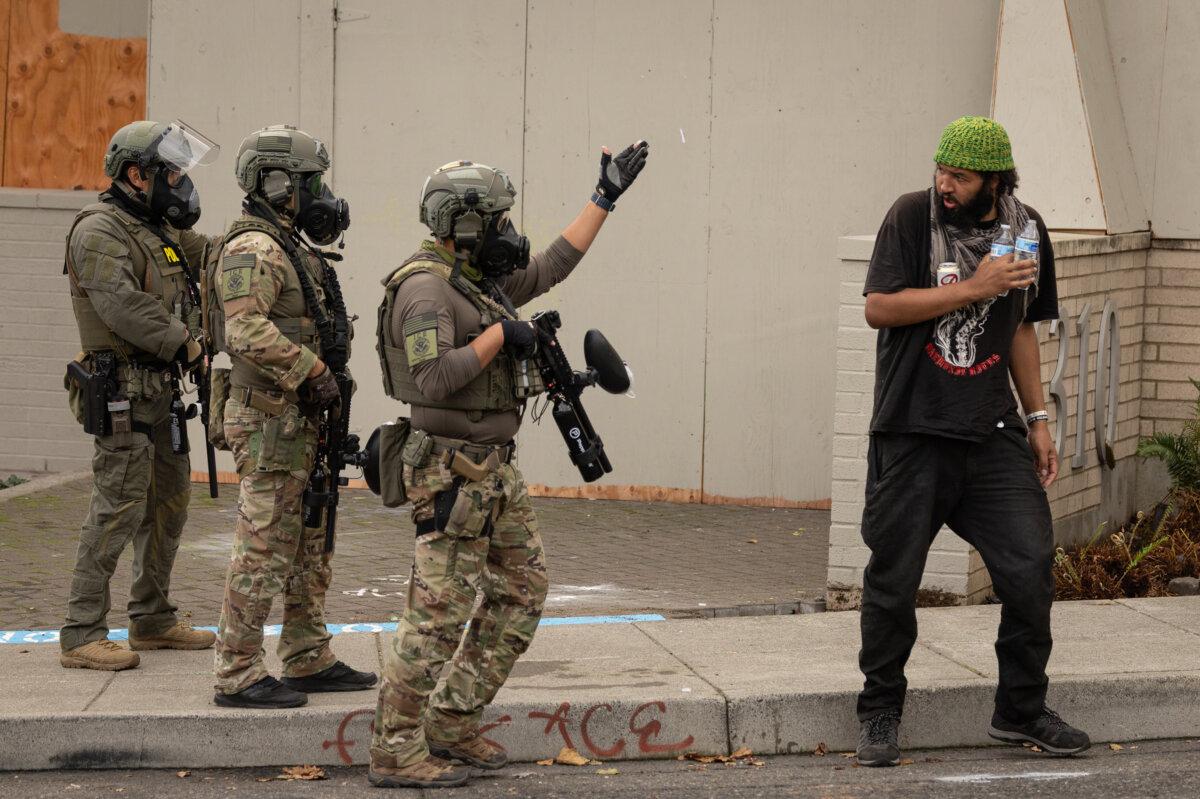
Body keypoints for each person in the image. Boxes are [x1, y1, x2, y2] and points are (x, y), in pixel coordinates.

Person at [368, 142, 649, 789]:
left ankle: (452, 718)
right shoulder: (425, 289)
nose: (506, 232)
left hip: (496, 470)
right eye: (495, 220)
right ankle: (394, 747)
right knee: (437, 615)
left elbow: (552, 264)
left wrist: (603, 196)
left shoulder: (478, 280)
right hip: (448, 473)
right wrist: (501, 337)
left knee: (523, 589)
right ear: (463, 225)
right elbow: (432, 376)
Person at [855, 116, 1090, 766]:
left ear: (993, 179)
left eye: (958, 175)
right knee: (893, 581)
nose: (944, 183)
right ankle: (879, 711)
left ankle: (1020, 708)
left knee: (1030, 563)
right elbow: (879, 305)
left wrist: (1038, 418)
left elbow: (1019, 328)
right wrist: (974, 287)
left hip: (990, 432)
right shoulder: (910, 217)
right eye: (941, 170)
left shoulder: (1026, 229)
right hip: (912, 429)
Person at [210, 125, 375, 708]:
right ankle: (237, 672)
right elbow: (244, 328)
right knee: (263, 543)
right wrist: (312, 370)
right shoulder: (253, 248)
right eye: (312, 183)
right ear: (278, 184)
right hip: (270, 417)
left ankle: (306, 654)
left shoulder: (289, 245)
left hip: (302, 419)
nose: (322, 195)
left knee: (310, 537)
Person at [60, 120, 220, 671]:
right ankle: (82, 631)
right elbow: (125, 308)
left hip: (162, 392)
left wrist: (259, 244)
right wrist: (189, 345)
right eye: (171, 172)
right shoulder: (100, 230)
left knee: (168, 506)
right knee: (117, 508)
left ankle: (151, 618)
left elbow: (217, 256)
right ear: (136, 175)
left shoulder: (158, 230)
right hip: (123, 390)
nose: (179, 184)